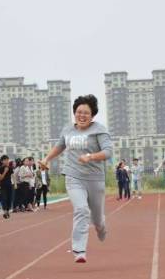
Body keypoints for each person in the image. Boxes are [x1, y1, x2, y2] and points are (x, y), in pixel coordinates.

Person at [40, 94, 112, 264]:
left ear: (92, 115)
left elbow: (108, 152)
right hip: (73, 176)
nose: (81, 115)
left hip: (95, 178)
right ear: (74, 113)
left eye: (86, 113)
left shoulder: (99, 130)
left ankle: (101, 227)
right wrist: (46, 159)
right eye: (79, 112)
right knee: (81, 209)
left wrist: (91, 157)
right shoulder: (68, 130)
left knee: (97, 219)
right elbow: (60, 146)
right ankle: (79, 250)